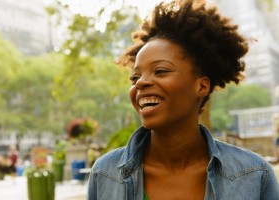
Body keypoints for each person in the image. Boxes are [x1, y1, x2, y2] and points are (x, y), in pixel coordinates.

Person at [87, 0, 279, 199]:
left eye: (160, 71)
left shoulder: (254, 175)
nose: (141, 83)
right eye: (135, 77)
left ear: (202, 86)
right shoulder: (104, 174)